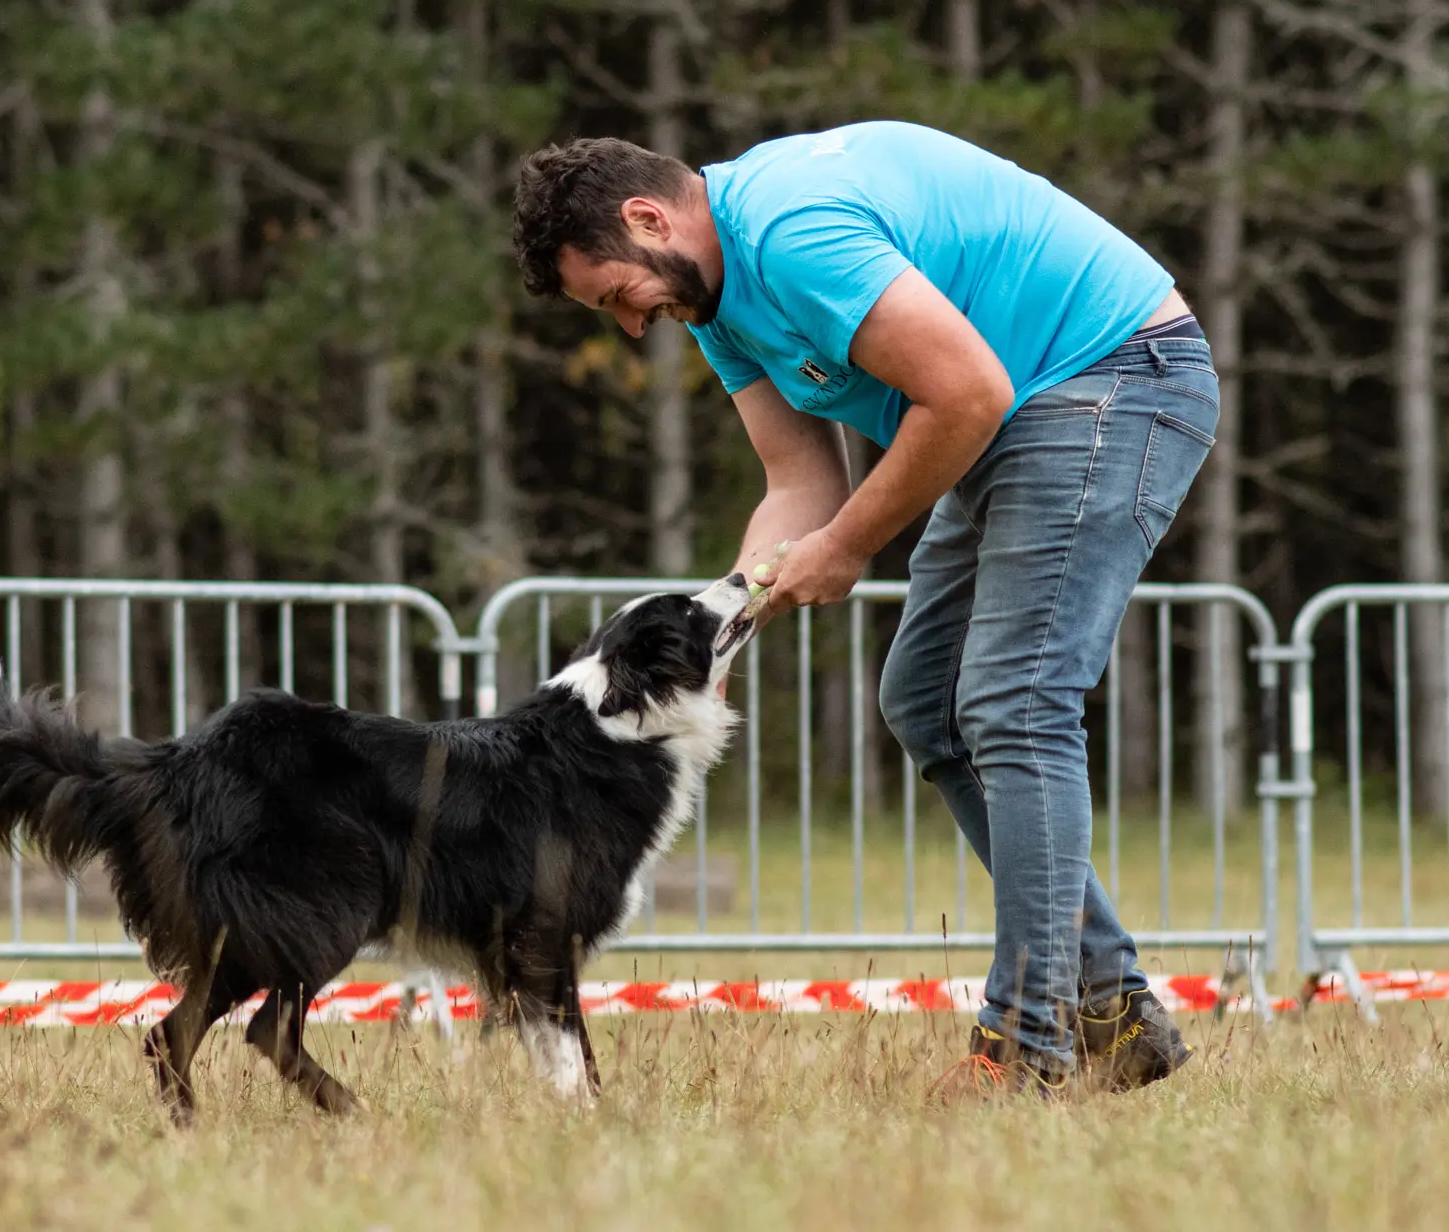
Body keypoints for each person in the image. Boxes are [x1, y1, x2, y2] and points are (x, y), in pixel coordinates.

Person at [510, 120, 1214, 1094]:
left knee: (1014, 701)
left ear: (647, 218)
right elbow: (798, 477)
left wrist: (846, 546)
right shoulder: (719, 308)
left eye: (615, 294)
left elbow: (965, 391)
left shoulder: (790, 228)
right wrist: (724, 619)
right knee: (924, 700)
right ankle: (1112, 1010)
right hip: (1018, 415)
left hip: (1107, 378)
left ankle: (1026, 1042)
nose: (630, 324)